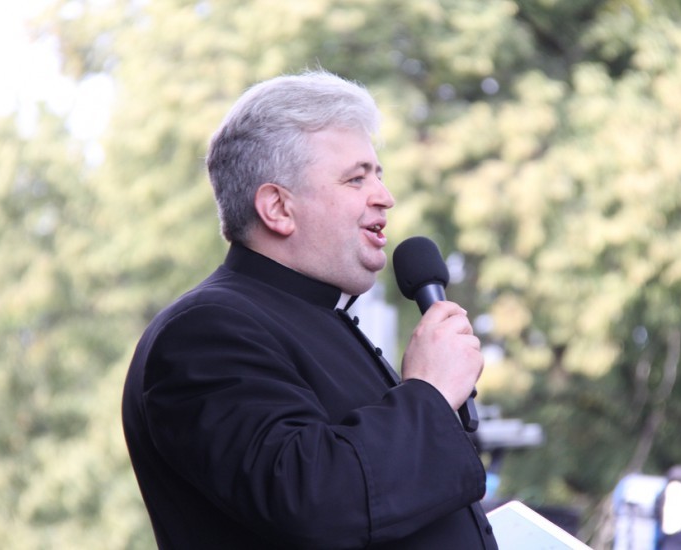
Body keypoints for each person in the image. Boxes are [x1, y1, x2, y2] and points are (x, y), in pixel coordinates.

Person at [122, 69, 498, 549]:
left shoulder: (317, 318)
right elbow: (313, 500)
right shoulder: (204, 333)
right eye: (356, 178)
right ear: (278, 208)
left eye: (379, 175)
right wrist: (430, 392)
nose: (385, 197)